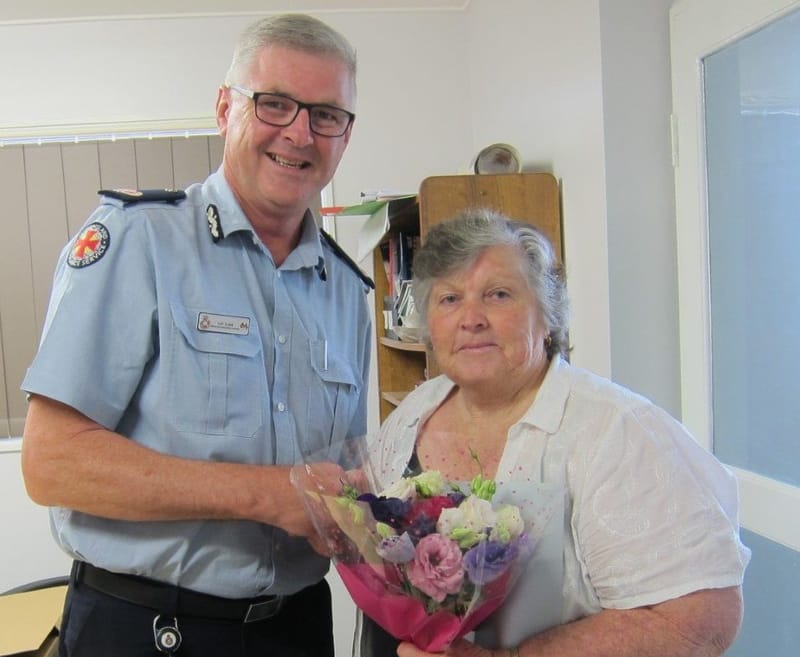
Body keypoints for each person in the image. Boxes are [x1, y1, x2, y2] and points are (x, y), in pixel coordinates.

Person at [20, 13, 371, 657]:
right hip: (150, 628)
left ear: (345, 135)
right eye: (275, 104)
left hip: (298, 628)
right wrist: (269, 495)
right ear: (224, 108)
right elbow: (51, 463)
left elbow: (345, 466)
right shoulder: (138, 240)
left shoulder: (348, 290)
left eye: (326, 114)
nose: (300, 132)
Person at [361, 208, 750, 657]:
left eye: (499, 294)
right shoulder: (414, 411)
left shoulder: (616, 432)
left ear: (547, 318)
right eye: (450, 299)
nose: (472, 319)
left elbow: (700, 621)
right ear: (429, 323)